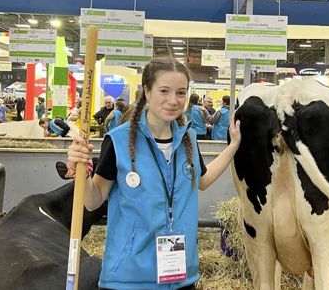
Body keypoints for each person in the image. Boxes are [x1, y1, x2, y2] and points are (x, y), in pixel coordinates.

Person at [65, 58, 241, 290]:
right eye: (164, 91)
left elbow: (203, 180)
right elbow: (93, 199)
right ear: (147, 91)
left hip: (180, 277)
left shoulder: (187, 139)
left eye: (181, 92)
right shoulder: (118, 140)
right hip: (129, 279)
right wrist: (81, 170)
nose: (173, 100)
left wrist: (233, 146)